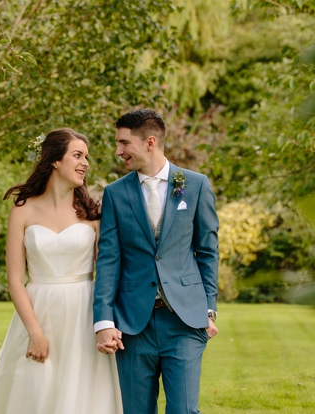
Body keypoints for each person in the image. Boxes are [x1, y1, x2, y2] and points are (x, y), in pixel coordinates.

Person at [0, 128, 122, 413]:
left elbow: (108, 274)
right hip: (38, 313)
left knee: (83, 397)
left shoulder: (93, 213)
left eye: (86, 157)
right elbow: (15, 282)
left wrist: (107, 323)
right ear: (55, 160)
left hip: (84, 315)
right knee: (35, 393)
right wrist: (35, 332)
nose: (85, 163)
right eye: (77, 155)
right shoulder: (22, 210)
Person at [93, 108, 219, 414]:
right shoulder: (115, 193)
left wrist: (209, 307)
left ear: (150, 142)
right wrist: (104, 321)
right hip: (134, 325)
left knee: (184, 410)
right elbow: (108, 259)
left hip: (185, 320)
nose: (118, 151)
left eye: (124, 143)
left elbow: (207, 250)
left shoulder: (194, 184)